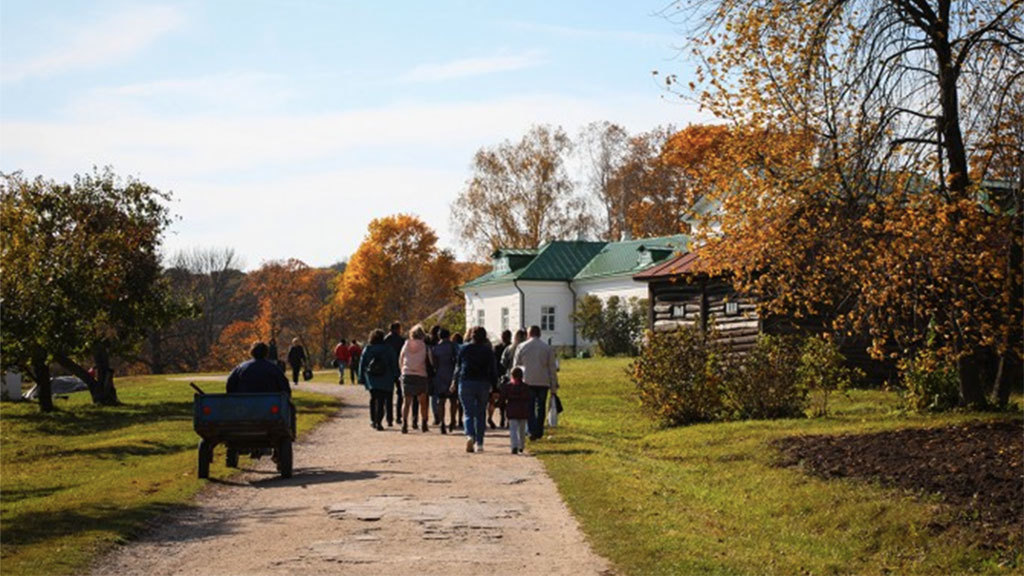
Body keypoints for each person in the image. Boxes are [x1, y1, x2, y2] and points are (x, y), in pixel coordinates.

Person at [226, 341, 295, 448]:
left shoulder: (241, 367)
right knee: (291, 408)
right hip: (269, 411)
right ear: (266, 353)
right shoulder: (273, 368)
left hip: (242, 410)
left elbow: (230, 386)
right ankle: (291, 434)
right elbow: (284, 387)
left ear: (251, 352)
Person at [452, 326, 498, 453]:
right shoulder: (488, 351)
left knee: (468, 412)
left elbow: (458, 367)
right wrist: (495, 387)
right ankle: (480, 443)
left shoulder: (463, 349)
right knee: (480, 413)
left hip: (466, 381)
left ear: (471, 336)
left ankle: (470, 435)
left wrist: (454, 382)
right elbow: (493, 370)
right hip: (483, 383)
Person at [512, 325, 559, 441]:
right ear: (540, 334)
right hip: (543, 381)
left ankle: (531, 430)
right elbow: (552, 368)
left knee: (529, 406)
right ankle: (539, 430)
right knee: (541, 406)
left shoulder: (522, 347)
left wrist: (514, 382)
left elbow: (516, 366)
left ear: (529, 334)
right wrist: (554, 385)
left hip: (527, 380)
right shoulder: (547, 348)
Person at [359, 329, 399, 430]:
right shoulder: (388, 349)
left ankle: (373, 420)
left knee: (373, 399)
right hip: (386, 378)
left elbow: (362, 364)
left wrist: (361, 378)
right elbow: (394, 363)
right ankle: (379, 421)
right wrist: (396, 375)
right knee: (382, 400)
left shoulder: (368, 349)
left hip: (371, 378)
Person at [399, 324, 431, 433]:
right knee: (423, 402)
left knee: (406, 401)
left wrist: (402, 370)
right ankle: (424, 423)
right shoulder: (424, 346)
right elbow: (430, 360)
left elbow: (401, 358)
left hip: (407, 373)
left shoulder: (406, 344)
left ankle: (404, 423)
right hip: (421, 374)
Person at [430, 328, 458, 434]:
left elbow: (434, 363)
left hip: (440, 374)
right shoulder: (453, 346)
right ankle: (452, 421)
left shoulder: (436, 348)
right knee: (453, 400)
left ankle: (442, 422)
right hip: (451, 374)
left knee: (441, 400)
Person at [501, 366, 531, 454]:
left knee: (513, 430)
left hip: (512, 410)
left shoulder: (508, 387)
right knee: (522, 430)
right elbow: (529, 398)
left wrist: (498, 404)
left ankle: (514, 446)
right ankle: (521, 446)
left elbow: (503, 398)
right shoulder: (526, 387)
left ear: (512, 376)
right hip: (523, 410)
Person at [383, 322, 406, 426]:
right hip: (399, 368)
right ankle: (398, 416)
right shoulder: (401, 340)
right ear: (397, 329)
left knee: (388, 394)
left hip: (387, 369)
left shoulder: (385, 340)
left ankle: (389, 418)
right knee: (400, 394)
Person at [489, 329, 512, 429]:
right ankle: (505, 419)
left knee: (496, 398)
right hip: (507, 375)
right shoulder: (512, 348)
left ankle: (500, 417)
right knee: (507, 399)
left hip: (498, 375)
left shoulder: (497, 348)